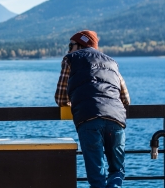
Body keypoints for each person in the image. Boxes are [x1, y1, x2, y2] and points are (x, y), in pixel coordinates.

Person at [54, 30, 130, 188]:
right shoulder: (112, 62)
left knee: (96, 176)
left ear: (81, 45)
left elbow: (60, 98)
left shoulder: (70, 59)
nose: (68, 50)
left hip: (88, 118)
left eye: (70, 45)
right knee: (117, 170)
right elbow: (126, 99)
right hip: (116, 119)